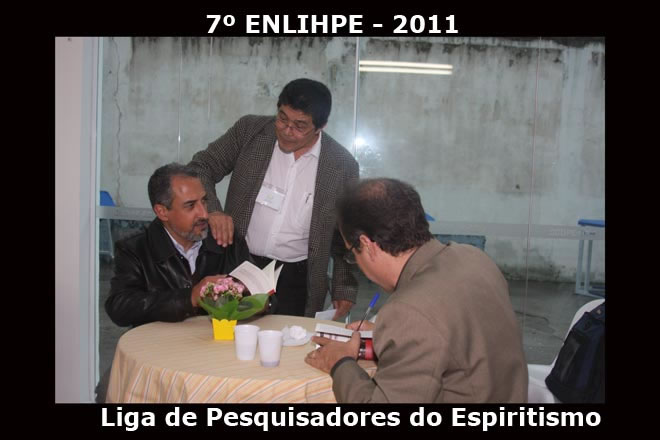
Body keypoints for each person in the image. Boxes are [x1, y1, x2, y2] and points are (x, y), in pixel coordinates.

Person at [305, 178, 528, 403]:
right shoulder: (474, 258)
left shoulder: (408, 312)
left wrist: (340, 363)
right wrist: (393, 337)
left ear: (367, 245)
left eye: (352, 253)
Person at [188, 78, 359, 319]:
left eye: (299, 126)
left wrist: (344, 287)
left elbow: (346, 234)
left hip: (295, 277)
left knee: (287, 339)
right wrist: (213, 211)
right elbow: (201, 167)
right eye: (282, 118)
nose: (287, 131)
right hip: (238, 264)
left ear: (321, 126)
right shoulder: (250, 131)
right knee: (227, 335)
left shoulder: (342, 165)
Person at [105, 162, 252, 327]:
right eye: (190, 205)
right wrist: (190, 298)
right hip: (159, 342)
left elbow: (261, 298)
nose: (204, 214)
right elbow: (119, 307)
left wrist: (253, 296)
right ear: (162, 212)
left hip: (218, 340)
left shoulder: (227, 240)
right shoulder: (135, 250)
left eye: (204, 201)